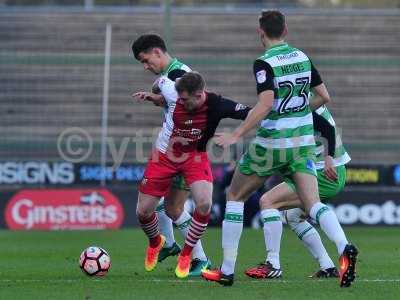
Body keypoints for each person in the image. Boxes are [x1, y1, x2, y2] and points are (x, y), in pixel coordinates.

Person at [202, 10, 358, 288]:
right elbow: (324, 96)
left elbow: (264, 105)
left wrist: (237, 134)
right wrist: (297, 111)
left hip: (271, 144)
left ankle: (226, 270)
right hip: (301, 146)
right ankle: (343, 248)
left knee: (235, 196)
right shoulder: (302, 57)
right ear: (285, 30)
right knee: (313, 204)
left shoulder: (264, 63)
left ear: (260, 32)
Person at [133, 70, 250, 278]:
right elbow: (160, 80)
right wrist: (154, 95)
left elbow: (251, 112)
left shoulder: (217, 104)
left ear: (199, 95)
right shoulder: (174, 91)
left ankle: (187, 253)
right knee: (143, 212)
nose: (181, 103)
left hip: (194, 157)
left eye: (186, 100)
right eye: (179, 98)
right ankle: (155, 242)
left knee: (204, 203)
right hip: (164, 156)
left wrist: (236, 135)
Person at [131, 34, 210, 276]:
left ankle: (200, 259)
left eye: (146, 61)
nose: (146, 67)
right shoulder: (170, 76)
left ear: (157, 52)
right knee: (148, 210)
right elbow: (174, 104)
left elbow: (196, 105)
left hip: (184, 154)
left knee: (174, 208)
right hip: (166, 152)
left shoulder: (179, 76)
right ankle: (166, 243)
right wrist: (156, 98)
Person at [245, 106, 351, 279]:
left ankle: (273, 264)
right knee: (293, 216)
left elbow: (324, 129)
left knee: (268, 201)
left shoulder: (295, 101)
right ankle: (328, 266)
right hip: (329, 168)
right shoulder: (305, 95)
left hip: (321, 172)